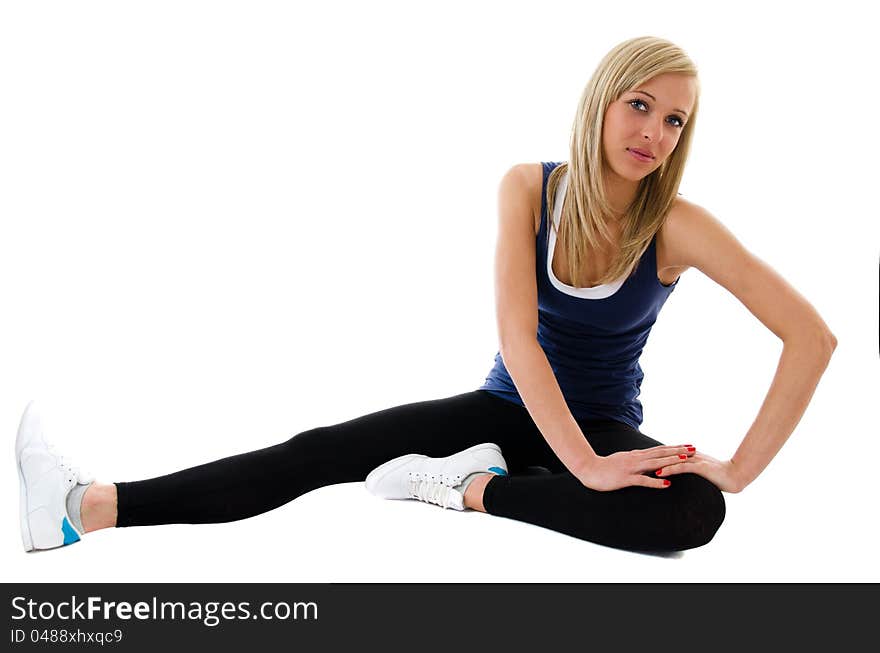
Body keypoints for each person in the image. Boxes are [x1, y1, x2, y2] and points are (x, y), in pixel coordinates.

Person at [15, 35, 837, 555]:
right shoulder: (528, 187)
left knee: (692, 514)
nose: (654, 134)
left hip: (600, 423)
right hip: (506, 408)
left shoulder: (679, 224)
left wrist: (734, 470)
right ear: (602, 101)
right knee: (319, 449)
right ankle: (84, 507)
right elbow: (519, 337)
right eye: (641, 105)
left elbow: (811, 335)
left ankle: (470, 487)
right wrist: (583, 470)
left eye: (676, 123)